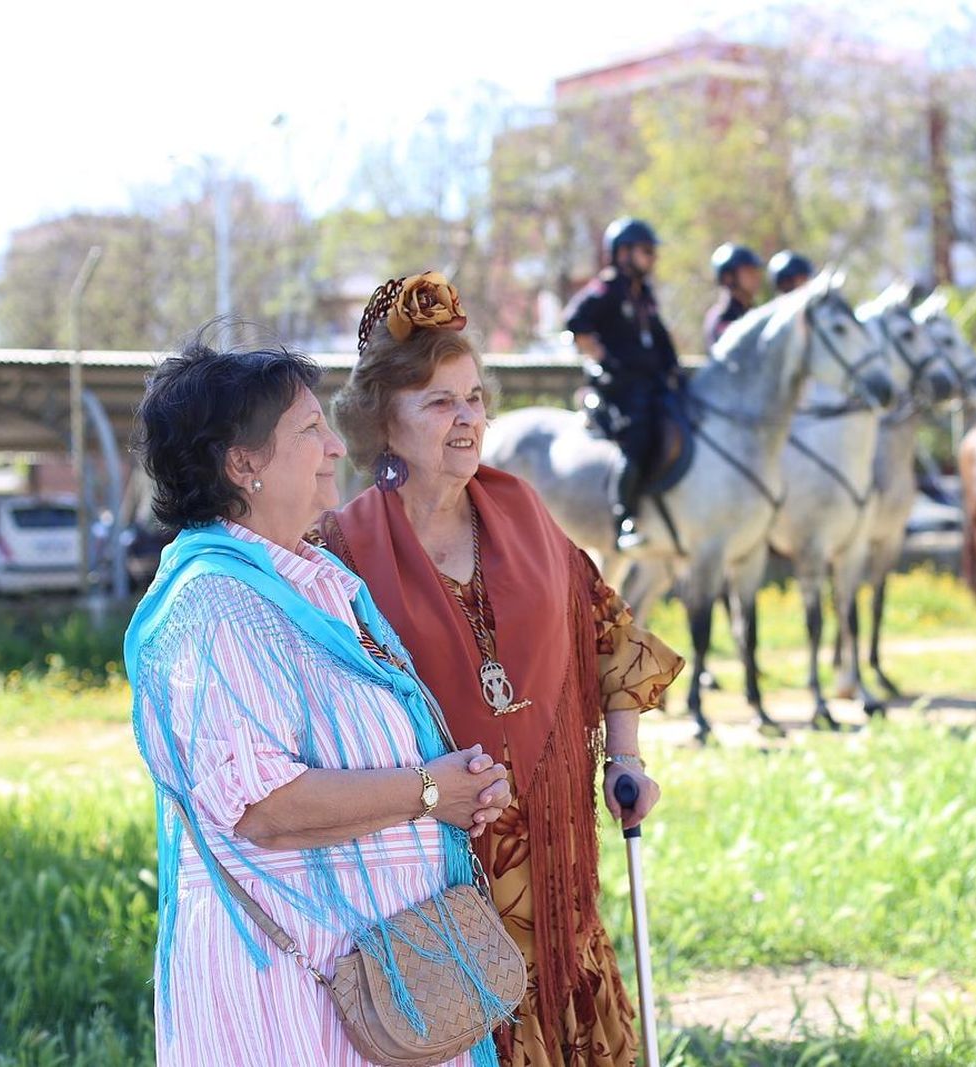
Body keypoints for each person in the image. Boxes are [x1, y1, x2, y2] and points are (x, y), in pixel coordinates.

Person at [323, 271, 685, 1067]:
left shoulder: (521, 508)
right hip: (430, 884)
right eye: (439, 402)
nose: (467, 419)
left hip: (551, 882)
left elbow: (608, 631)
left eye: (475, 397)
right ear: (385, 423)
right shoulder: (338, 553)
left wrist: (625, 760)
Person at [125, 331, 514, 1067]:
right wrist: (432, 792)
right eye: (308, 429)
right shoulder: (214, 605)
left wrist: (452, 784)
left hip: (378, 976)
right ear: (243, 463)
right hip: (291, 997)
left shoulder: (314, 584)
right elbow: (263, 808)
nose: (336, 447)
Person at [563, 217, 682, 550]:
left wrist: (673, 370)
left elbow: (660, 340)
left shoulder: (644, 294)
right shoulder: (606, 289)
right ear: (624, 253)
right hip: (621, 388)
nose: (652, 258)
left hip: (652, 383)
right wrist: (601, 358)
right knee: (638, 437)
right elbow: (575, 322)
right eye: (646, 251)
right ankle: (624, 519)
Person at [702, 242, 764, 350]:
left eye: (756, 271)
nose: (756, 277)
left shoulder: (753, 312)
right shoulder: (722, 319)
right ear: (728, 277)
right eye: (749, 271)